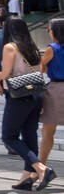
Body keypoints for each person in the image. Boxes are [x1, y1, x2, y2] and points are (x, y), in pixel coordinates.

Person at [0, 17, 52, 190]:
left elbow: (5, 74)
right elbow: (40, 70)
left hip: (19, 97)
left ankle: (41, 168)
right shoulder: (32, 46)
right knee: (29, 136)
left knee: (9, 136)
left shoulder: (10, 47)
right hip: (36, 95)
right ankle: (27, 178)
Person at [38, 17, 64, 165]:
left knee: (48, 131)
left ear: (54, 31)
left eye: (49, 29)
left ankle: (40, 168)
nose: (48, 31)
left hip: (56, 90)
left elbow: (40, 68)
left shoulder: (52, 48)